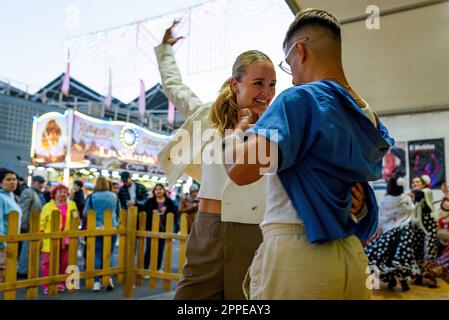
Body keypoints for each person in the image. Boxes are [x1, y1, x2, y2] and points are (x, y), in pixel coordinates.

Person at [156, 19, 371, 300]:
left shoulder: (280, 125)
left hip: (254, 230)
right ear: (235, 84)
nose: (267, 93)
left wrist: (358, 201)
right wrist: (165, 50)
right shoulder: (206, 116)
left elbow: (317, 171)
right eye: (258, 83)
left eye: (272, 84)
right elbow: (174, 85)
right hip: (208, 228)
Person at [223, 9, 393, 299]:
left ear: (299, 51)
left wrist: (234, 135)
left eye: (288, 66)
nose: (291, 80)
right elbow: (358, 192)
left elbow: (241, 170)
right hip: (352, 255)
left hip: (298, 254)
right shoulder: (368, 115)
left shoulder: (297, 98)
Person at [364, 177, 417, 291]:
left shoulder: (385, 199)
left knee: (386, 257)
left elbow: (381, 217)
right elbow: (412, 210)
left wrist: (378, 231)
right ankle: (403, 283)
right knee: (401, 257)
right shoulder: (405, 198)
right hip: (403, 233)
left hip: (388, 233)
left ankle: (391, 280)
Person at [83, 176, 120, 292]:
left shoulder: (92, 196)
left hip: (97, 228)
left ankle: (96, 282)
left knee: (97, 254)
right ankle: (107, 279)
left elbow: (85, 213)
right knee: (109, 253)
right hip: (112, 228)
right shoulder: (114, 196)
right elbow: (119, 211)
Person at [39, 184, 77, 294]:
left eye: (65, 192)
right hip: (50, 239)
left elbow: (76, 219)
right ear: (54, 194)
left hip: (66, 239)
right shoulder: (47, 206)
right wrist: (41, 237)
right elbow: (41, 223)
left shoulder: (72, 205)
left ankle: (61, 283)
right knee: (47, 262)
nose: (62, 194)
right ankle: (47, 284)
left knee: (65, 262)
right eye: (59, 192)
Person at [409, 174, 438, 286]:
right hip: (418, 227)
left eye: (417, 182)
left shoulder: (427, 191)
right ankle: (419, 275)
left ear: (424, 184)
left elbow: (420, 194)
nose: (415, 184)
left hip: (429, 226)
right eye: (413, 182)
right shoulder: (414, 198)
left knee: (429, 250)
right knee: (417, 250)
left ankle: (432, 278)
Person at [143, 183, 178, 273]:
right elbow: (144, 211)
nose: (158, 191)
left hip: (163, 227)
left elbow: (175, 212)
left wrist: (167, 210)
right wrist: (152, 211)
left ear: (164, 190)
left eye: (160, 189)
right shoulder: (150, 201)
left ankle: (157, 268)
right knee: (149, 247)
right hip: (151, 227)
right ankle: (146, 268)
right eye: (156, 189)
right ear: (154, 191)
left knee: (160, 248)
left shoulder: (169, 202)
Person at [17, 175, 46, 278]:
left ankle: (28, 269)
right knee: (26, 249)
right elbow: (24, 210)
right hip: (29, 226)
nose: (41, 185)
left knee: (32, 249)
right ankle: (22, 271)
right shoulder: (28, 192)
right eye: (39, 182)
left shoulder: (39, 194)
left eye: (42, 183)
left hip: (36, 226)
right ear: (33, 182)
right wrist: (23, 226)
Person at [0, 168, 22, 283]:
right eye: (8, 179)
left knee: (8, 276)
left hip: (12, 241)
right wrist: (2, 245)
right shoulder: (1, 197)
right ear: (0, 182)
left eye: (14, 179)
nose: (13, 182)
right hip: (3, 243)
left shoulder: (12, 196)